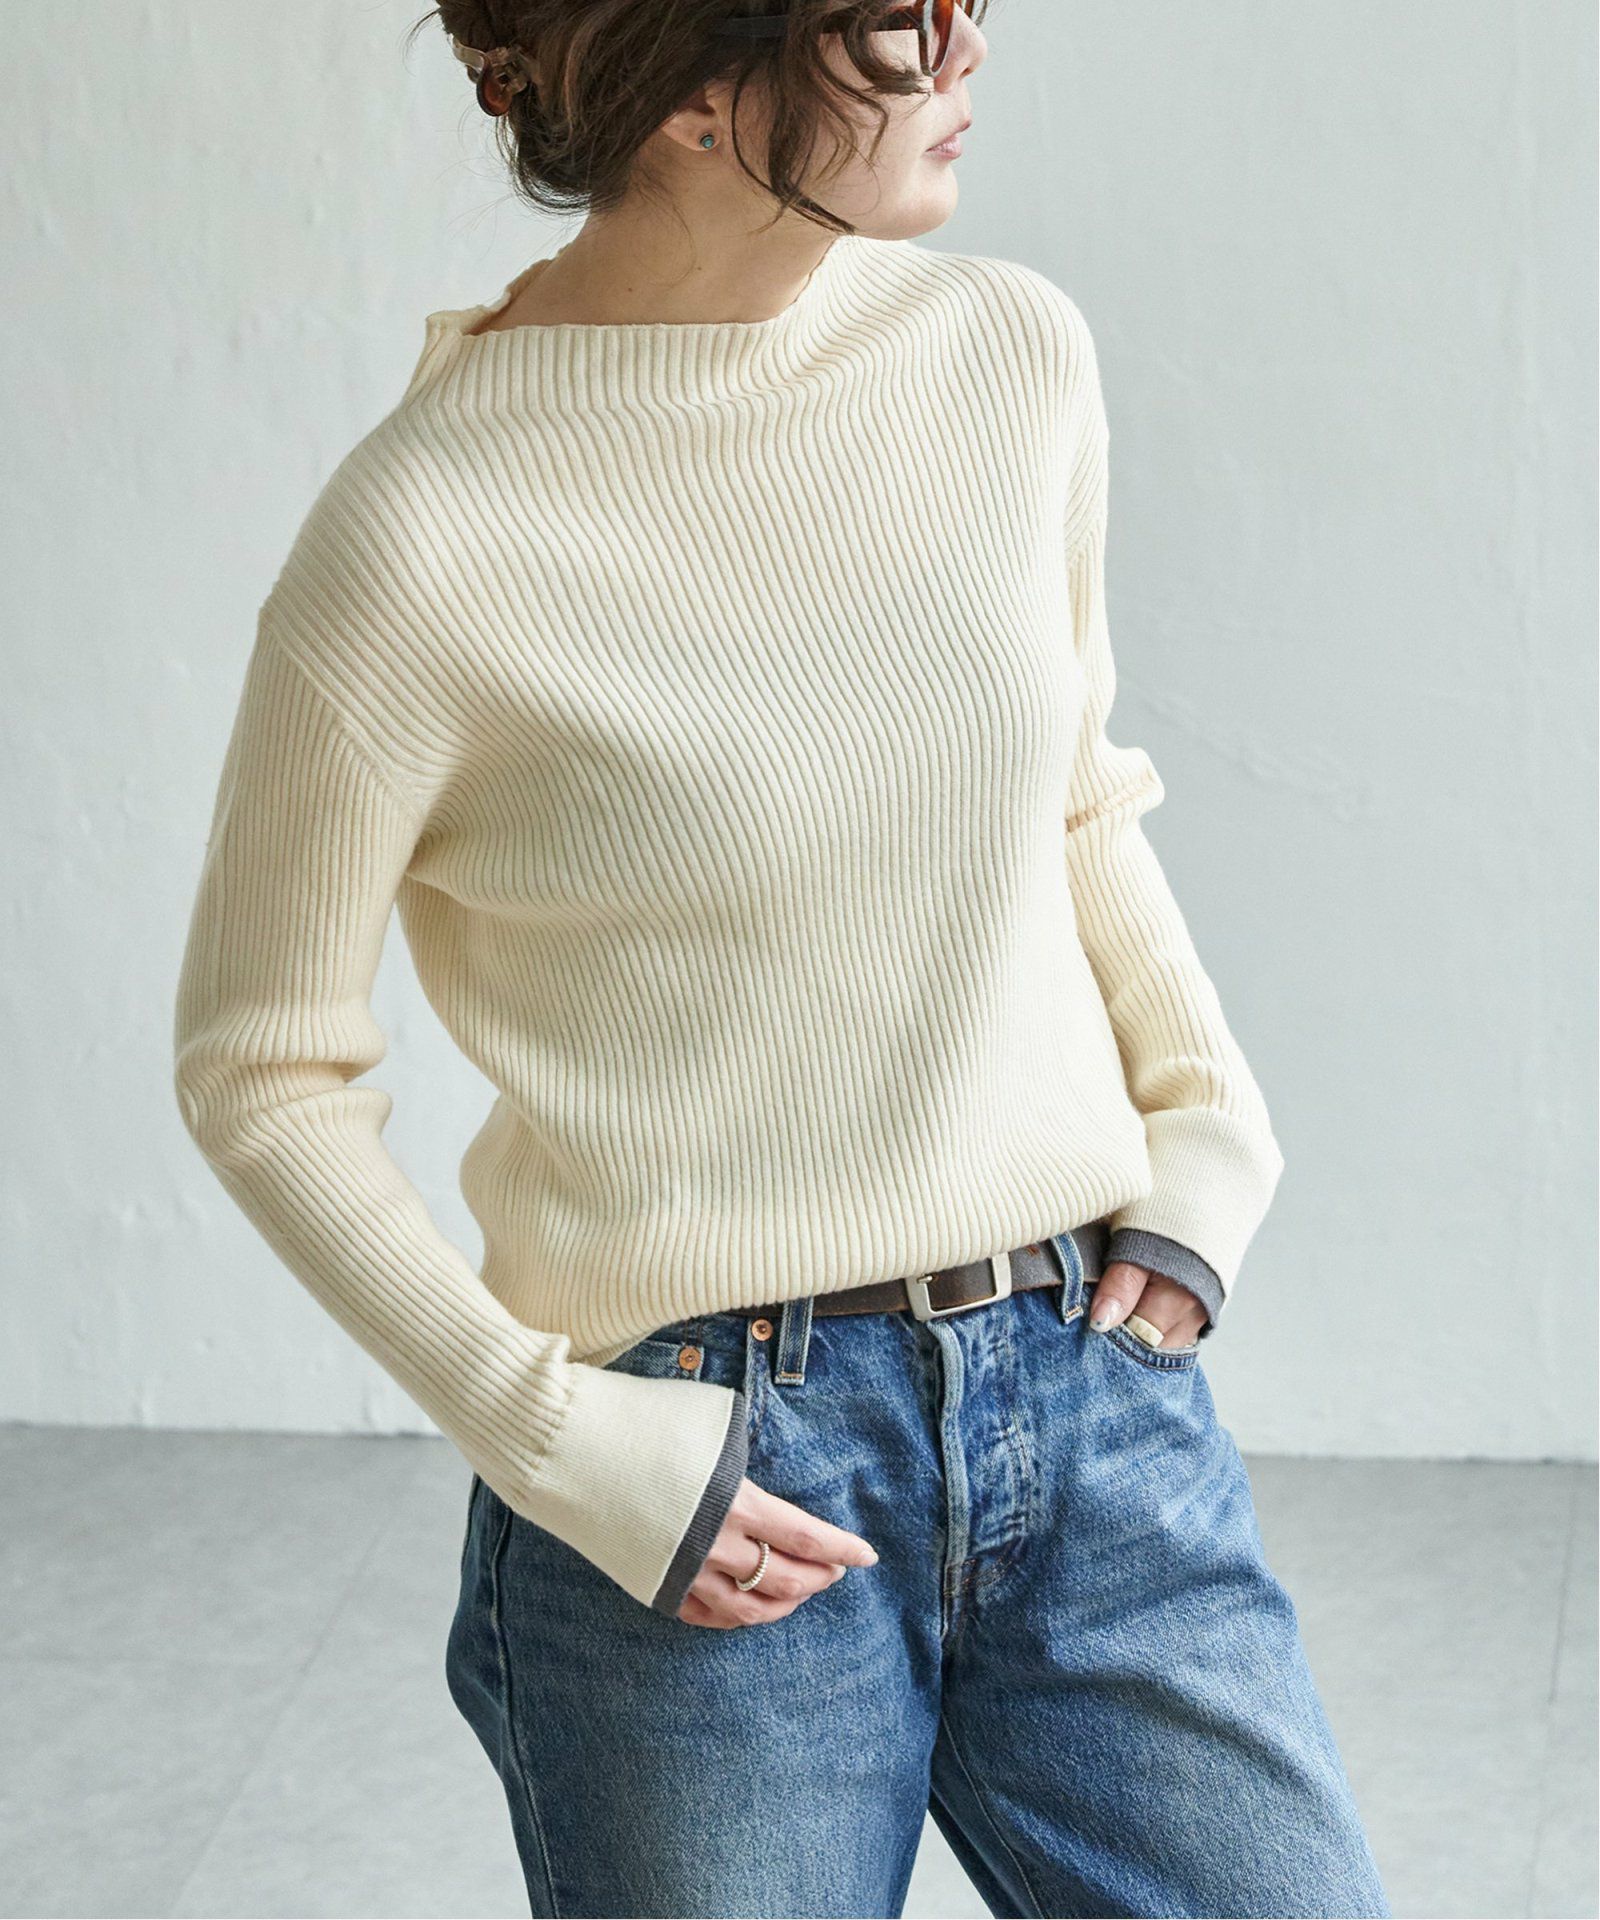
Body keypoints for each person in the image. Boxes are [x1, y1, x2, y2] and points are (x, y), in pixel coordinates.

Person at [171, 2, 1392, 1914]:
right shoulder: (419, 538)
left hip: (1087, 1390)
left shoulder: (1006, 353)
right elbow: (264, 1069)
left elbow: (1071, 797)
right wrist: (558, 1440)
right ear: (693, 90)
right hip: (705, 1479)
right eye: (898, 17)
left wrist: (1209, 1130)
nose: (967, 49)